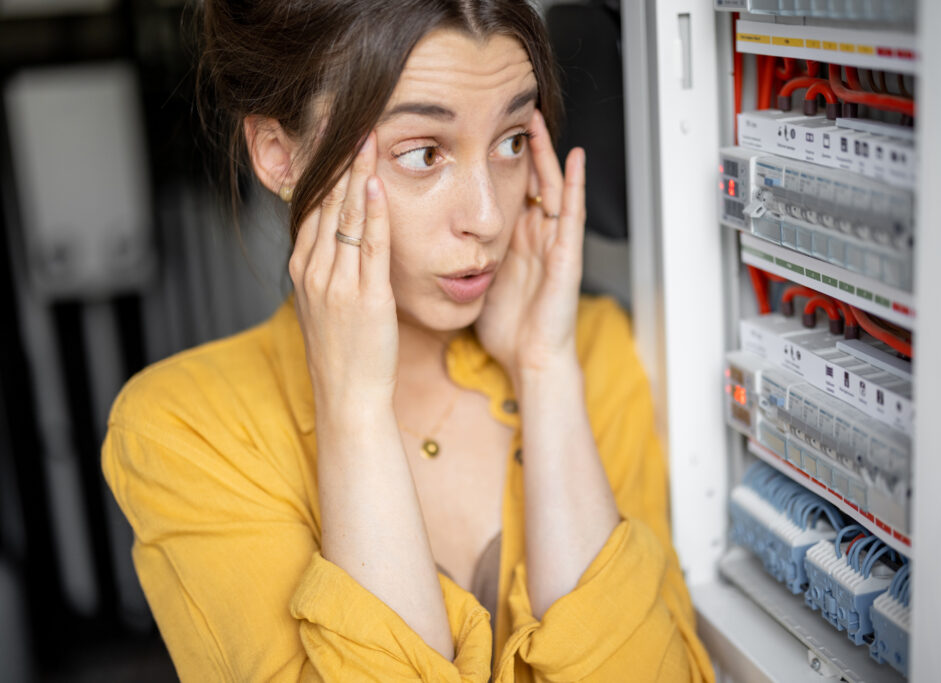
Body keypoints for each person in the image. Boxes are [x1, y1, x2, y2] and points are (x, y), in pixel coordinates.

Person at [102, 1, 714, 680]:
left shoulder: (594, 350)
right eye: (423, 154)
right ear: (279, 154)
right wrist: (356, 411)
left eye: (512, 139)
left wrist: (545, 371)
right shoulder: (185, 427)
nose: (487, 216)